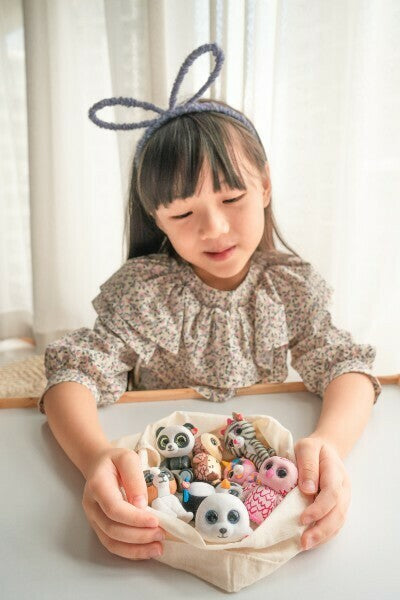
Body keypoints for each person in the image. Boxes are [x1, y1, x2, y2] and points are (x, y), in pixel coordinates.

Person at [39, 43, 381, 562]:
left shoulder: (289, 288)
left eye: (231, 199)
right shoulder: (144, 292)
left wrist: (327, 445)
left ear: (264, 187)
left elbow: (347, 366)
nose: (214, 229)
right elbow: (71, 379)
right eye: (183, 214)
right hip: (171, 493)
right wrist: (97, 459)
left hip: (254, 483)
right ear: (156, 219)